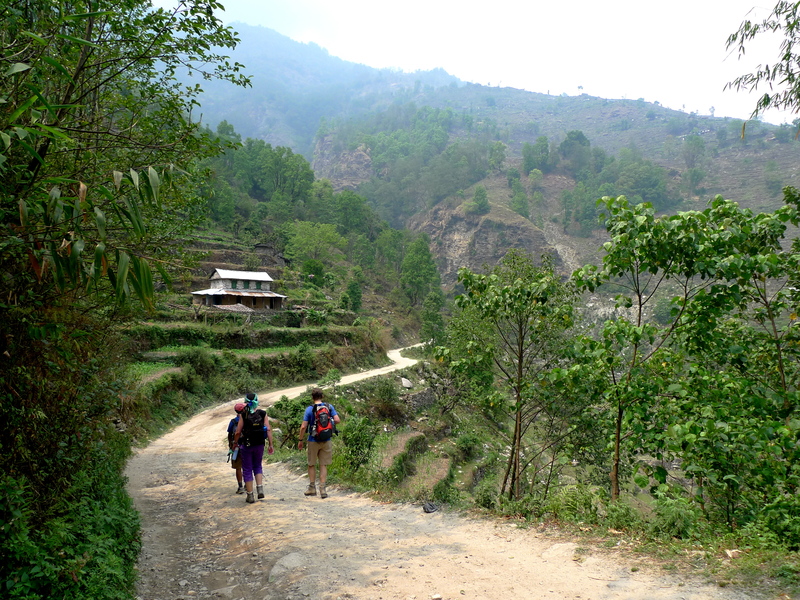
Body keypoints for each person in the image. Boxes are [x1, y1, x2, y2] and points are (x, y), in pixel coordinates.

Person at [298, 388, 340, 499]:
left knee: (311, 464)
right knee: (323, 464)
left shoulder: (309, 409)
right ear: (322, 396)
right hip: (326, 440)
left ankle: (312, 488)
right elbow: (337, 420)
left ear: (312, 397)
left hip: (313, 440)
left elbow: (303, 426)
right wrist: (327, 423)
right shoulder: (329, 407)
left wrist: (300, 440)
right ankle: (323, 489)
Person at [232, 392, 274, 504]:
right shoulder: (262, 413)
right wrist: (270, 444)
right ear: (257, 401)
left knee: (247, 469)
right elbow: (268, 429)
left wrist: (235, 443)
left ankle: (250, 495)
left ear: (245, 401)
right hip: (260, 444)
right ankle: (259, 488)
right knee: (257, 466)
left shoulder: (243, 414)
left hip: (247, 445)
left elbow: (237, 431)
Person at [227, 402, 245, 494]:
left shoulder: (233, 422)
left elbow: (230, 434)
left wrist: (231, 446)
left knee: (238, 468)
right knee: (247, 466)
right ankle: (248, 484)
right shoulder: (248, 420)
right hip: (247, 446)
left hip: (236, 447)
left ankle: (240, 487)